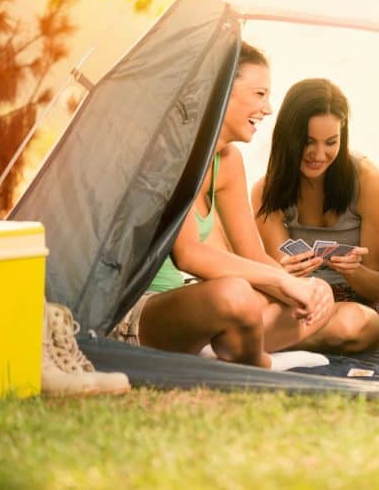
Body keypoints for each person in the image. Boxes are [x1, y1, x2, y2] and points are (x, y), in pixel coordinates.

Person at [108, 43, 335, 368]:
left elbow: (252, 255)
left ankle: (222, 351)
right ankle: (259, 362)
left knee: (314, 295)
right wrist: (285, 281)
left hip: (193, 308)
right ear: (222, 91)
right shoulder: (171, 154)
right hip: (138, 312)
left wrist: (307, 290)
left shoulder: (227, 161)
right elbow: (188, 254)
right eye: (259, 94)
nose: (268, 108)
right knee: (236, 294)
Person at [252, 78, 379, 353]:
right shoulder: (266, 191)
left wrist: (354, 271)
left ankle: (255, 342)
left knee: (352, 325)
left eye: (331, 143)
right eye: (308, 142)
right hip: (298, 300)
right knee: (249, 309)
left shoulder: (370, 181)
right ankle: (267, 339)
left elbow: (377, 289)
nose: (319, 155)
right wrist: (287, 273)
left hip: (355, 305)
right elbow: (277, 277)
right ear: (289, 137)